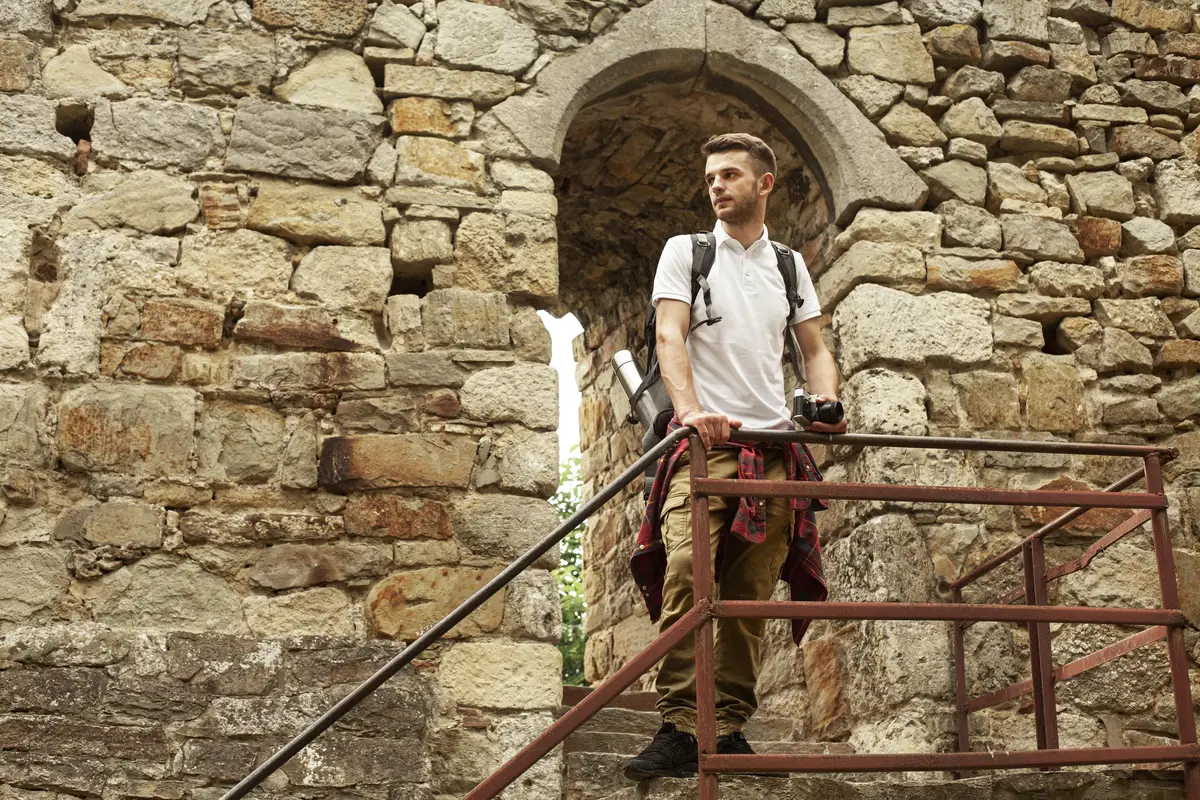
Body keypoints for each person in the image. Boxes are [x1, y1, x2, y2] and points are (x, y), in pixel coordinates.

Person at [623, 132, 847, 780]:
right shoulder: (685, 253)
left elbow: (813, 349)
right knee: (686, 573)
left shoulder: (786, 265)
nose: (716, 186)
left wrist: (825, 400)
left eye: (729, 176)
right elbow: (670, 334)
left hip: (775, 450)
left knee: (750, 599)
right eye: (711, 177)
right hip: (708, 447)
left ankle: (728, 725)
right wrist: (690, 412)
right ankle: (679, 726)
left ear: (764, 184)